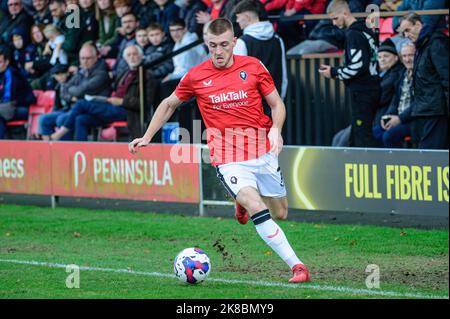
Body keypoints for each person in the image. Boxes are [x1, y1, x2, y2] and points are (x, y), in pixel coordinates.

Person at [128, 18, 311, 283]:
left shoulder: (253, 66)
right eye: (213, 45)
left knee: (280, 212)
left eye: (224, 44)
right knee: (257, 205)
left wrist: (276, 129)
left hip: (263, 150)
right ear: (206, 43)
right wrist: (147, 136)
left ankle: (239, 200)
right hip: (228, 157)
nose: (219, 51)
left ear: (234, 42)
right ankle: (298, 267)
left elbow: (277, 104)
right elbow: (169, 104)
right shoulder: (196, 75)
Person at [52, 44, 153, 140]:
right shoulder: (124, 73)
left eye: (135, 54)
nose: (132, 57)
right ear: (125, 58)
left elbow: (146, 103)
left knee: (80, 104)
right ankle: (79, 151)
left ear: (141, 56)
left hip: (127, 111)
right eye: (129, 55)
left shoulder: (146, 75)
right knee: (80, 119)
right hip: (112, 107)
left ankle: (63, 131)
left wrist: (122, 101)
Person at [319, 0, 380, 148]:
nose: (334, 23)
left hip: (363, 91)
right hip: (372, 87)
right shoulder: (366, 31)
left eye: (335, 18)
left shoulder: (354, 34)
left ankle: (369, 168)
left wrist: (333, 72)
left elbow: (358, 66)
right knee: (358, 134)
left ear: (345, 13)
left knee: (363, 135)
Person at [398, 13, 449, 149]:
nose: (406, 35)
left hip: (436, 112)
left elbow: (447, 77)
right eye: (403, 33)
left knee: (431, 159)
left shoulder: (436, 42)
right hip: (421, 112)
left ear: (419, 25)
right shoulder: (421, 45)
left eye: (408, 30)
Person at [233, 0, 287, 102]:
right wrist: (281, 100)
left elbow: (238, 79)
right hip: (275, 102)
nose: (237, 21)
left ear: (247, 17)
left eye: (238, 17)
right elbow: (283, 76)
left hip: (251, 106)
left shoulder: (242, 43)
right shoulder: (278, 40)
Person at [373, 42, 416, 148]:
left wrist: (400, 118)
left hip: (414, 119)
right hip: (399, 118)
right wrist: (387, 117)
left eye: (411, 55)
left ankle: (400, 164)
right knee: (374, 133)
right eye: (404, 56)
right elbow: (395, 100)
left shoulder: (420, 74)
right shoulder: (403, 74)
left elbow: (419, 103)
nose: (407, 59)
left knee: (389, 136)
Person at [0, 45, 36, 139]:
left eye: (0, 62)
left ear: (7, 62)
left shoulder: (12, 74)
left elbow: (8, 97)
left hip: (21, 108)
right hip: (5, 108)